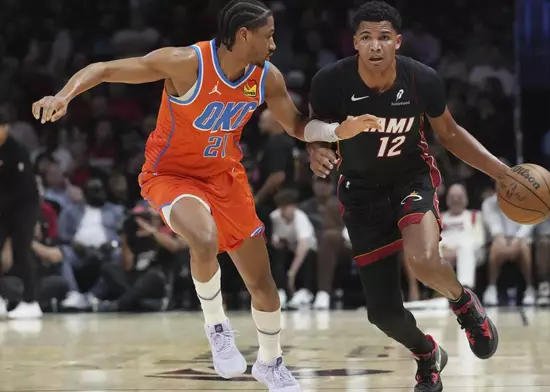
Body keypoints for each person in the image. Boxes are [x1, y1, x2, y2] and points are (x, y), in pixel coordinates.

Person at [31, 0, 379, 390]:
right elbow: (105, 69)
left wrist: (335, 134)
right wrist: (63, 96)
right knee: (203, 237)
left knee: (263, 286)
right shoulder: (187, 63)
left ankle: (270, 362)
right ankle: (217, 325)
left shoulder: (267, 77)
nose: (275, 44)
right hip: (171, 175)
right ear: (244, 35)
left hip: (225, 177)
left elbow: (297, 125)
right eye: (269, 36)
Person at [306, 2, 509, 390]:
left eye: (384, 37)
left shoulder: (422, 80)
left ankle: (463, 304)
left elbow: (449, 135)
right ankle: (427, 354)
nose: (375, 45)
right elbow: (315, 129)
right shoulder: (331, 81)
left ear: (397, 42)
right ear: (355, 43)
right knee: (382, 313)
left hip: (409, 179)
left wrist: (500, 172)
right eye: (366, 37)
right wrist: (316, 150)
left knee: (423, 260)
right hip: (361, 192)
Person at [0, 111, 43, 319]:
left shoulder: (17, 150)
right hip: (2, 206)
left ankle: (30, 301)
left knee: (22, 250)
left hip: (23, 206)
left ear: (5, 127)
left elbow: (22, 189)